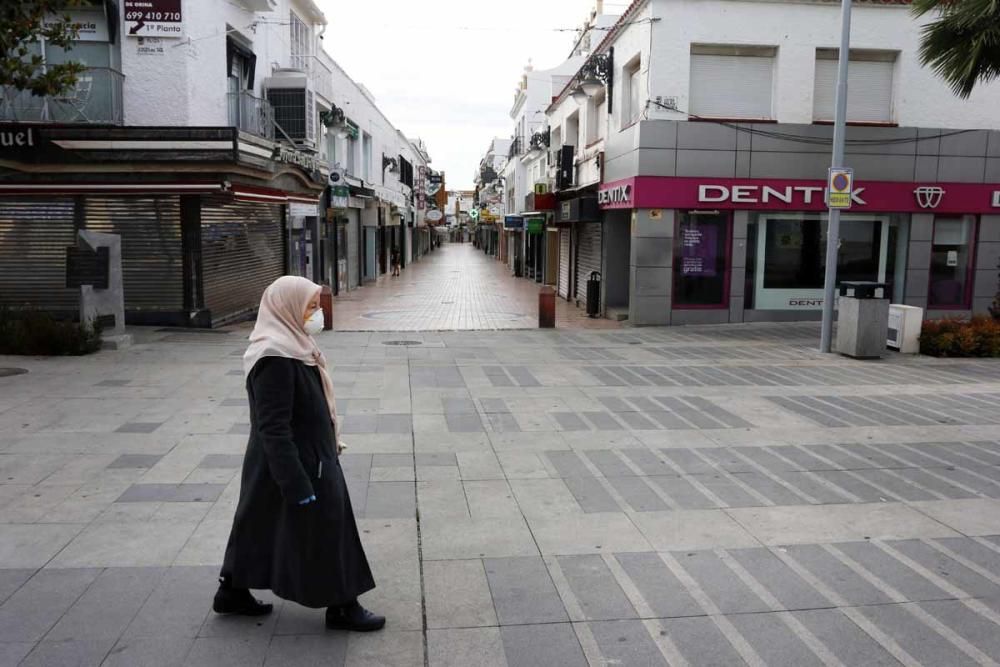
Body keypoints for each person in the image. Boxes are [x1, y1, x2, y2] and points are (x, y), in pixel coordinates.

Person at [213, 275, 383, 632]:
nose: (317, 313)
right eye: (310, 306)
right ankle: (343, 605)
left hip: (292, 459)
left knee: (257, 523)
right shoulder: (274, 356)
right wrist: (295, 483)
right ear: (286, 308)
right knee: (330, 526)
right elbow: (273, 427)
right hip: (299, 463)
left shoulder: (294, 345)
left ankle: (232, 591)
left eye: (317, 305)